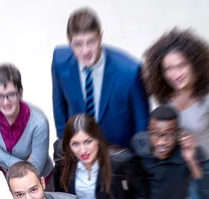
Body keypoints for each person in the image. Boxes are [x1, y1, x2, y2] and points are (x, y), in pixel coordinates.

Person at [143, 28, 209, 199]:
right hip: (173, 155)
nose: (175, 74)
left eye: (181, 65)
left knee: (199, 188)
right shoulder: (164, 91)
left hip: (203, 155)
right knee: (182, 188)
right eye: (168, 69)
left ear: (195, 63)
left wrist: (197, 139)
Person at [51, 7, 149, 148]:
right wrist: (66, 143)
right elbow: (59, 105)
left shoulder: (130, 71)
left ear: (100, 37)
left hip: (119, 155)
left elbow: (142, 123)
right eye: (78, 44)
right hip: (80, 152)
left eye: (91, 42)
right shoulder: (59, 61)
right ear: (69, 42)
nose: (85, 51)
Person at [0, 63, 55, 190]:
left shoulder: (39, 122)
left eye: (11, 94)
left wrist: (2, 155)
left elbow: (34, 169)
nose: (6, 102)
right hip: (12, 181)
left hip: (41, 183)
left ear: (20, 93)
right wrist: (24, 164)